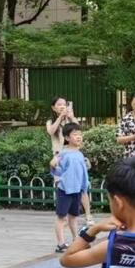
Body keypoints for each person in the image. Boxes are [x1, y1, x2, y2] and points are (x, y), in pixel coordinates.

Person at [46, 96, 93, 224]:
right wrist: (60, 117)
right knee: (62, 186)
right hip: (59, 156)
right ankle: (64, 215)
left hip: (74, 155)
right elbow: (51, 132)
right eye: (59, 104)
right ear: (53, 107)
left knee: (81, 186)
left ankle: (88, 215)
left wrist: (71, 117)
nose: (62, 106)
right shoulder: (51, 121)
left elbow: (79, 131)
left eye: (64, 104)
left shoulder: (70, 120)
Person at [51, 122, 90, 253]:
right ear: (67, 138)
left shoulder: (79, 153)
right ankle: (60, 244)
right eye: (75, 135)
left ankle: (76, 240)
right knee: (61, 217)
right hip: (65, 189)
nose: (79, 137)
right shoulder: (63, 154)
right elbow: (58, 171)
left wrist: (84, 186)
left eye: (80, 134)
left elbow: (83, 172)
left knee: (73, 216)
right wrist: (53, 165)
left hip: (77, 189)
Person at [116, 92, 135, 158]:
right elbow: (118, 139)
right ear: (131, 104)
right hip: (130, 156)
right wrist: (134, 137)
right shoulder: (125, 119)